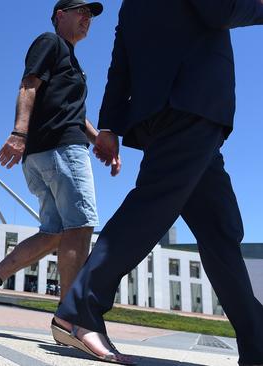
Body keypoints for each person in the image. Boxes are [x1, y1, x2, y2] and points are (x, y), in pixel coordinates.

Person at [53, 1, 263, 365]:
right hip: (193, 103)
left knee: (219, 228)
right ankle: (79, 310)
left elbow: (120, 66)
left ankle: (257, 338)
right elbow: (221, 10)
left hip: (161, 113)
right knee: (154, 204)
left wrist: (109, 126)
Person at [0, 0, 110, 332]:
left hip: (49, 152)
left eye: (91, 16)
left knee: (54, 233)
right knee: (80, 226)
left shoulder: (72, 59)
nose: (87, 19)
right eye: (81, 12)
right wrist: (18, 132)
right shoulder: (50, 41)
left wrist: (98, 138)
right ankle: (69, 318)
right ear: (60, 16)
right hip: (60, 149)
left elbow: (73, 111)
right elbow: (29, 85)